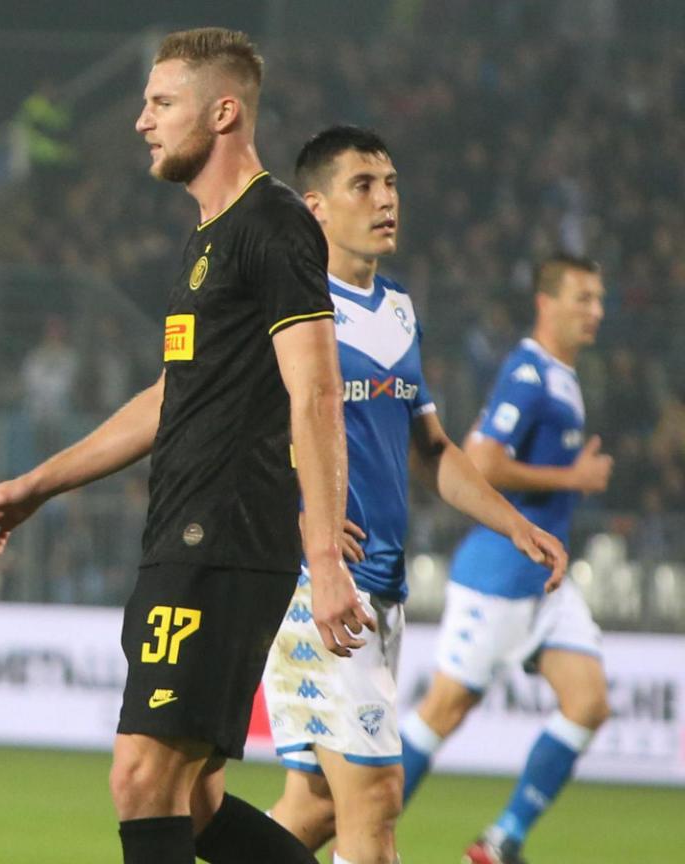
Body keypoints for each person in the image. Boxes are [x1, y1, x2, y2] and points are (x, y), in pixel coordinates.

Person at [0, 27, 366, 864]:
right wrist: (40, 483)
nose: (140, 120)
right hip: (181, 536)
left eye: (160, 103)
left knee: (142, 778)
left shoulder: (275, 224)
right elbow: (169, 399)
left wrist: (325, 555)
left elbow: (317, 390)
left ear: (223, 112)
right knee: (196, 801)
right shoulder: (208, 238)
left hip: (219, 539)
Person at [259, 126, 567, 864]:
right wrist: (304, 523)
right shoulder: (293, 310)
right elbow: (247, 434)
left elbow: (432, 450)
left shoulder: (396, 309)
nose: (386, 199)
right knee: (375, 800)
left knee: (317, 808)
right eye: (362, 186)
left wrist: (512, 522)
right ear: (316, 208)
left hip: (381, 589)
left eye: (391, 183)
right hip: (318, 587)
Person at [398, 255, 612, 864]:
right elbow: (481, 458)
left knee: (589, 702)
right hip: (498, 576)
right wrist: (571, 476)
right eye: (582, 297)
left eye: (598, 299)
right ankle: (367, 832)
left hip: (544, 580)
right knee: (443, 711)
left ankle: (502, 839)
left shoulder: (563, 377)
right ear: (546, 303)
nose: (595, 310)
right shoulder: (529, 374)